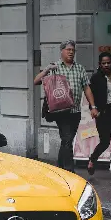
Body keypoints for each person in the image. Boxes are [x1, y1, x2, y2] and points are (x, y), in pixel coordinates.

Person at [33, 40, 89, 173]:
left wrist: (93, 106)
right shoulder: (55, 66)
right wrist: (47, 70)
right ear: (62, 51)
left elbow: (87, 88)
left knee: (66, 140)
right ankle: (69, 171)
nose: (71, 52)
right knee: (67, 139)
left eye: (73, 50)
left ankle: (59, 168)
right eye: (68, 49)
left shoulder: (79, 68)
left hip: (76, 111)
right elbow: (36, 81)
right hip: (61, 111)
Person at [85, 52, 111, 180]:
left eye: (108, 62)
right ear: (100, 64)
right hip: (103, 113)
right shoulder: (96, 78)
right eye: (104, 63)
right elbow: (90, 94)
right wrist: (93, 108)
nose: (106, 65)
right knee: (105, 142)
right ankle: (93, 158)